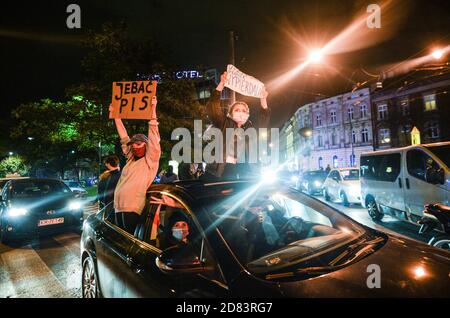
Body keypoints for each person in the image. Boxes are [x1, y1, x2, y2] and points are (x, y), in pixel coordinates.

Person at [203, 71, 270, 180]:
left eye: (244, 110)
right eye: (237, 110)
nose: (241, 112)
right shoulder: (223, 123)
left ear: (247, 114)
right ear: (230, 113)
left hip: (246, 173)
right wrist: (221, 84)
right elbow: (212, 108)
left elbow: (264, 121)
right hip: (221, 171)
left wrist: (263, 99)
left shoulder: (250, 129)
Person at [109, 95, 161, 234]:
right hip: (119, 207)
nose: (135, 147)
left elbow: (154, 135)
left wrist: (152, 111)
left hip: (132, 209)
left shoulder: (150, 160)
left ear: (147, 145)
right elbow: (124, 137)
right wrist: (116, 116)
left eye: (139, 144)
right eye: (133, 145)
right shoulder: (130, 159)